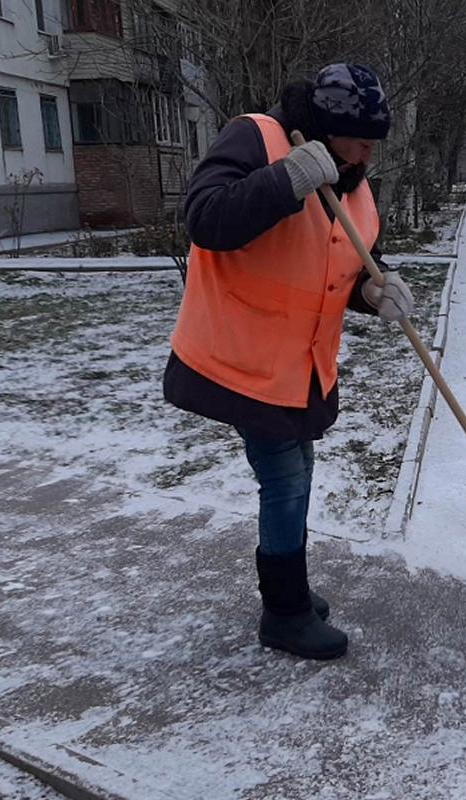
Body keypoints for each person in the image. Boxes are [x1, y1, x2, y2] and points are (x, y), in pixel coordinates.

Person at [163, 63, 413, 661]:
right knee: (286, 480)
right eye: (361, 142)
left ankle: (289, 588)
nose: (369, 156)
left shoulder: (351, 178)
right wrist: (288, 179)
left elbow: (345, 259)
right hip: (244, 357)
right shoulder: (253, 137)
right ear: (327, 129)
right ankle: (284, 611)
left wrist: (373, 291)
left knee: (295, 470)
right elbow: (207, 221)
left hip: (301, 365)